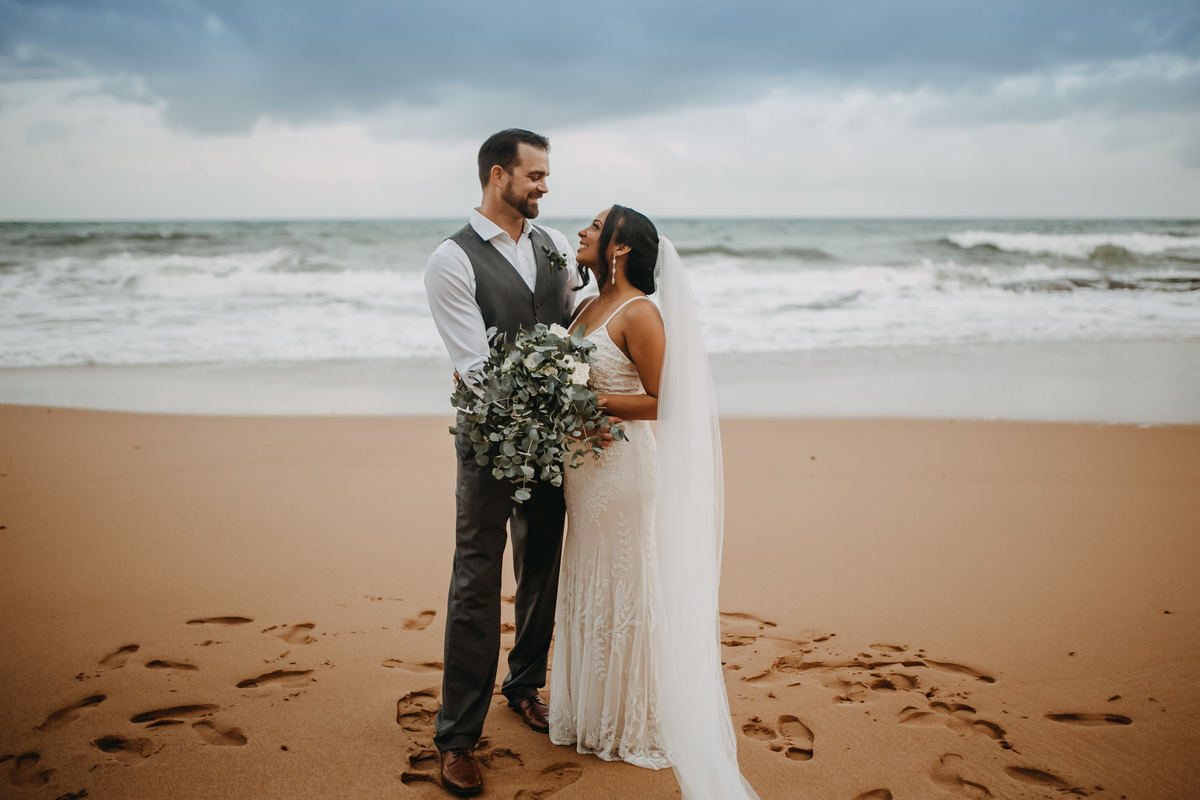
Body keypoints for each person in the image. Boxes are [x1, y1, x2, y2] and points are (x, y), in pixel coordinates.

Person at [549, 206, 759, 799]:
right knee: (590, 578)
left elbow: (669, 400)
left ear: (618, 248)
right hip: (584, 472)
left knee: (626, 581)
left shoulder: (639, 312)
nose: (583, 232)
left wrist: (596, 405)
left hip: (621, 469)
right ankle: (587, 712)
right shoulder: (587, 305)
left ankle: (628, 718)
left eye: (595, 225)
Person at [423, 128, 580, 797]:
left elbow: (574, 334)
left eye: (546, 177)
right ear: (498, 176)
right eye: (535, 176)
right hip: (490, 444)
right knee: (477, 579)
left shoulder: (557, 247)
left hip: (552, 443)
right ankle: (457, 736)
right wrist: (546, 398)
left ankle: (524, 685)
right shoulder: (450, 261)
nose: (545, 187)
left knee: (542, 562)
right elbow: (478, 370)